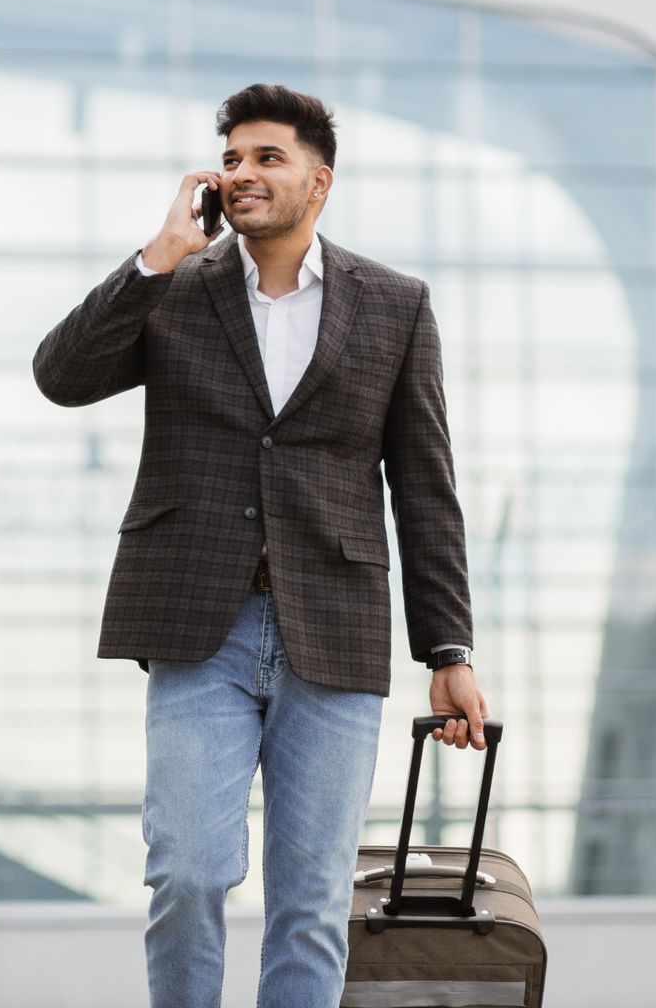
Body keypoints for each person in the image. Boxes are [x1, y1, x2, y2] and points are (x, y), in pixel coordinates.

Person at [33, 83, 487, 1007]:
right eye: (230, 158)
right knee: (189, 873)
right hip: (202, 625)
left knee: (311, 906)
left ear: (319, 182)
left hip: (337, 630)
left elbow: (426, 488)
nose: (241, 174)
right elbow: (62, 377)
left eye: (265, 158)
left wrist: (448, 650)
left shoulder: (396, 305)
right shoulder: (176, 289)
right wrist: (155, 258)